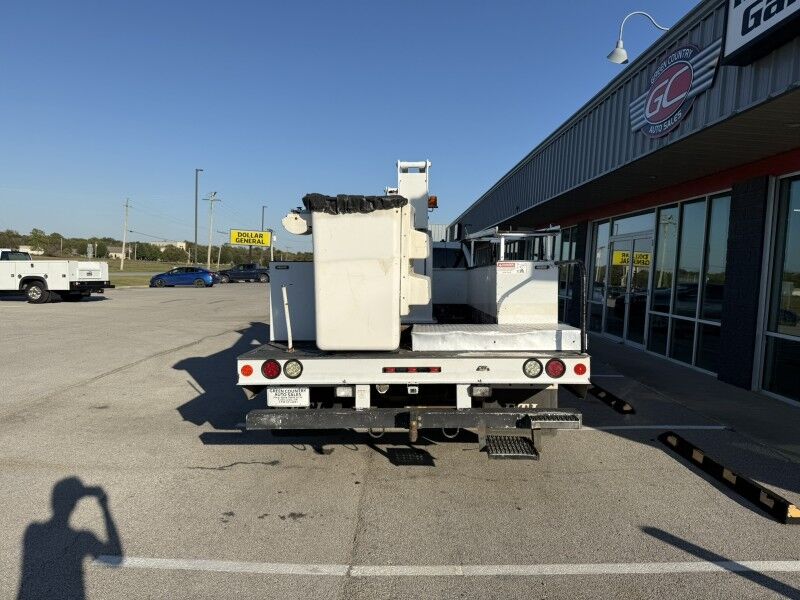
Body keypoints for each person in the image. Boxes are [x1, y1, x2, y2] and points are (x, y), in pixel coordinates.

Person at [17, 477, 123, 600]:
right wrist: (104, 507)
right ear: (74, 505)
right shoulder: (83, 539)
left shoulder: (32, 531)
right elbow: (116, 557)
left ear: (53, 502)